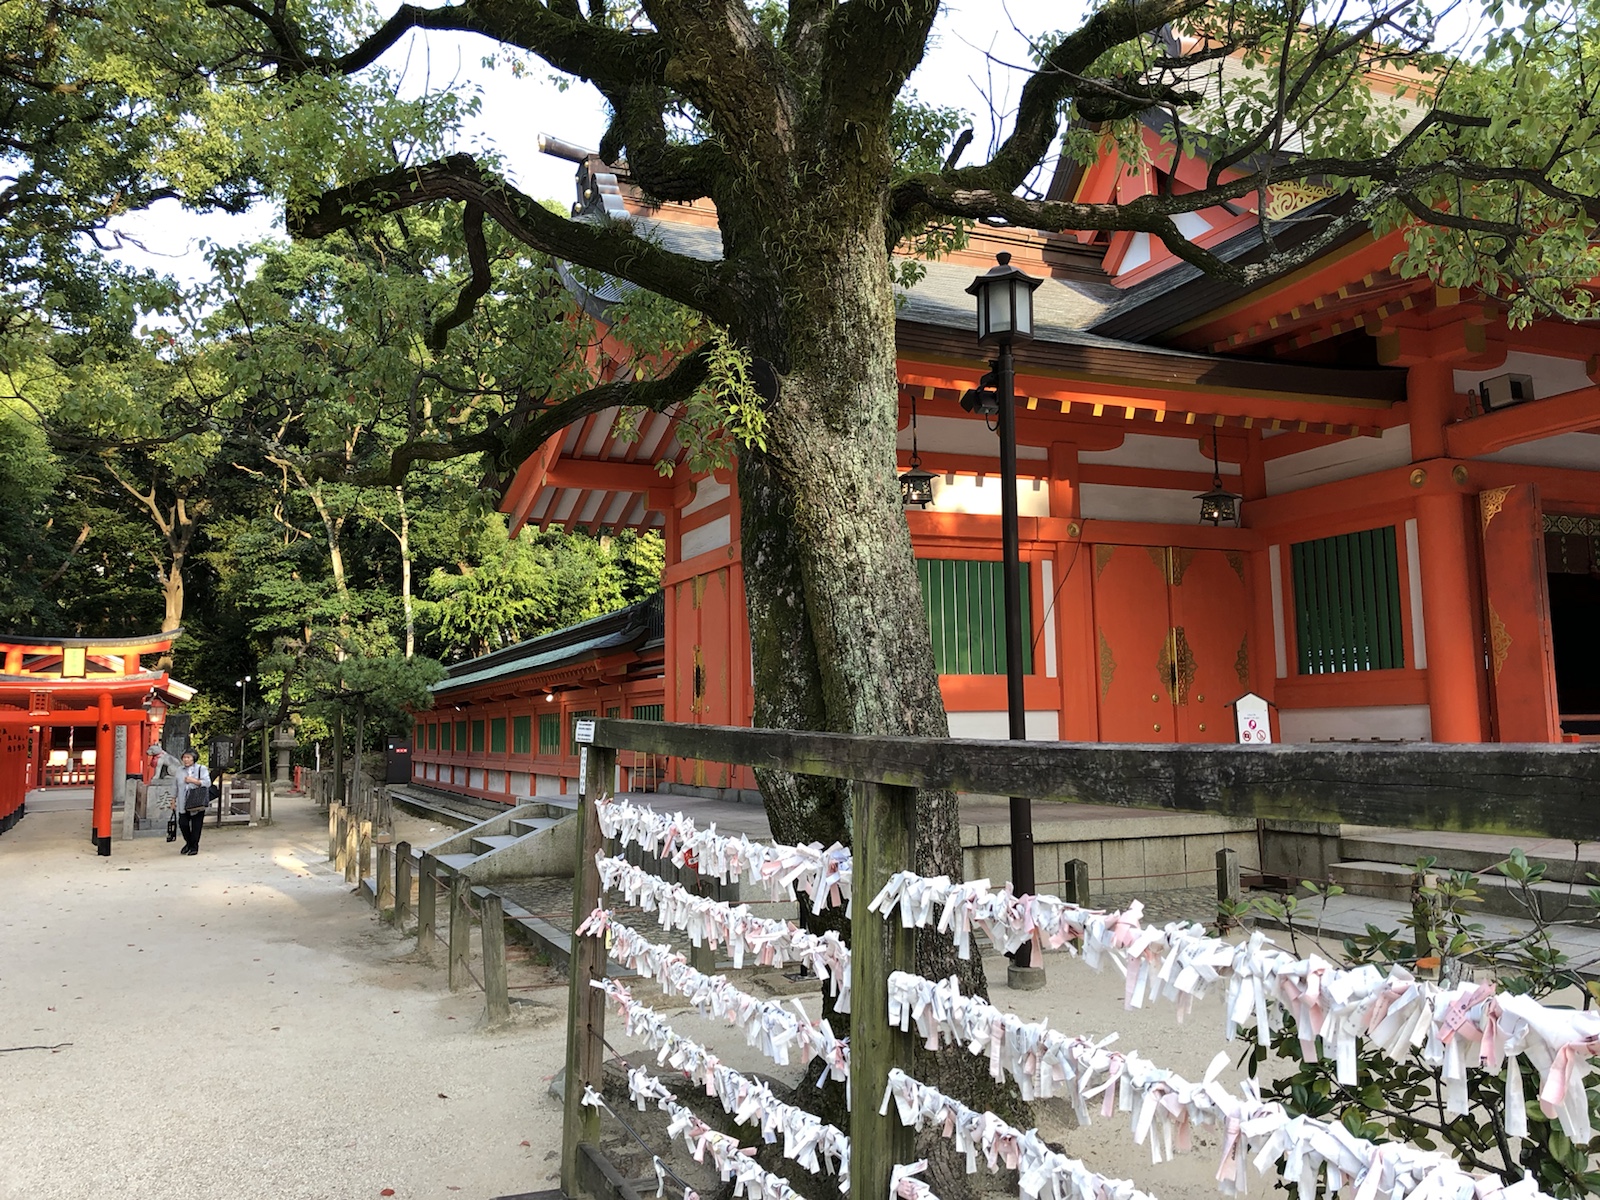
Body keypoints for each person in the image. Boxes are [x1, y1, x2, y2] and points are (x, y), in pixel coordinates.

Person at [174, 749, 211, 855]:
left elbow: (207, 783)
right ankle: (189, 843)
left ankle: (194, 847)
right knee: (183, 824)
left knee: (196, 826)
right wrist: (172, 799)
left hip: (197, 801)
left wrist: (193, 781)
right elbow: (175, 785)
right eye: (184, 757)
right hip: (183, 801)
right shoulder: (179, 770)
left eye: (188, 757)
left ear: (194, 758)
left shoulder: (201, 768)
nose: (186, 759)